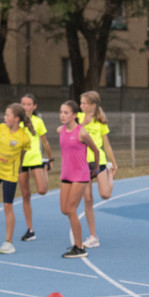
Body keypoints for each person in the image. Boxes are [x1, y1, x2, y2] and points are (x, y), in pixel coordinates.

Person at [0, 103, 33, 255]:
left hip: (10, 174)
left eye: (7, 115)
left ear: (16, 118)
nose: (5, 117)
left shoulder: (24, 137)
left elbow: (22, 157)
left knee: (7, 207)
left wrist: (17, 169)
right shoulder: (2, 128)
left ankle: (8, 242)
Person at [56, 101, 100, 259]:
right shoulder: (60, 130)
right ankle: (78, 244)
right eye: (61, 112)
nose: (62, 115)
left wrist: (95, 168)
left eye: (66, 112)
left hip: (80, 175)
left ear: (74, 115)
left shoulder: (82, 133)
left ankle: (79, 247)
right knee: (64, 209)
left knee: (71, 209)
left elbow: (95, 150)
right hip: (66, 175)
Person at [77, 91, 117, 249]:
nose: (81, 106)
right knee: (88, 199)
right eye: (80, 103)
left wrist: (113, 163)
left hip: (98, 162)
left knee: (105, 194)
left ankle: (109, 173)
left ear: (93, 105)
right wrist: (83, 125)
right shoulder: (78, 118)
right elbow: (73, 134)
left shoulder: (100, 122)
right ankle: (93, 236)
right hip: (83, 163)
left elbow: (106, 145)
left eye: (84, 103)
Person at [17, 93, 54, 243]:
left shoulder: (38, 122)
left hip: (36, 159)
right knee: (25, 195)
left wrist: (50, 159)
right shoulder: (16, 121)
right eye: (23, 104)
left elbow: (45, 143)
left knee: (42, 190)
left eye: (28, 104)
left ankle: (44, 168)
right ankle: (30, 229)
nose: (25, 107)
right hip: (20, 162)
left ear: (34, 106)